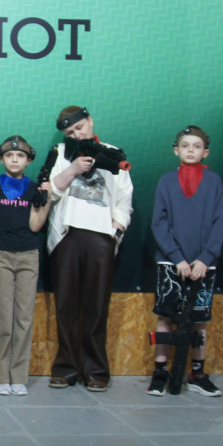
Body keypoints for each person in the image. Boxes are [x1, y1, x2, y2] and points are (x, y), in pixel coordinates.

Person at [44, 106, 133, 392]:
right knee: (66, 306)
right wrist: (73, 168)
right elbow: (49, 192)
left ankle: (96, 370)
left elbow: (124, 199)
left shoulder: (113, 153)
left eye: (80, 128)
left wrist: (115, 232)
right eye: (70, 132)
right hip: (66, 236)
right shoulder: (60, 153)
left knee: (96, 307)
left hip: (101, 237)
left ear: (90, 121)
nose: (77, 135)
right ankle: (66, 368)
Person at [148, 126, 223, 397]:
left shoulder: (214, 182)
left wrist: (205, 258)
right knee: (165, 317)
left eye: (197, 146)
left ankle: (197, 373)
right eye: (185, 145)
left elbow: (219, 223)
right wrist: (177, 258)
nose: (190, 150)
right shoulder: (166, 181)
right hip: (171, 264)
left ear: (206, 152)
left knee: (199, 321)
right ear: (176, 150)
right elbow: (159, 223)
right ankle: (160, 371)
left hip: (204, 264)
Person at [0, 136, 50, 396]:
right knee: (2, 319)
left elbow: (35, 225)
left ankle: (19, 377)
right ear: (1, 159)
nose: (15, 159)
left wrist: (47, 199)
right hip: (1, 256)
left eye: (20, 156)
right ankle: (0, 377)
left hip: (29, 256)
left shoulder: (33, 189)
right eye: (9, 155)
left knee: (24, 318)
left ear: (28, 161)